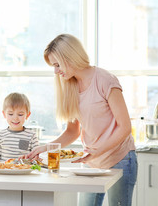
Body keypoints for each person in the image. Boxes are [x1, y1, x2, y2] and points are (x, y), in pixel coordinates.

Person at [25, 34, 137, 206]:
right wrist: (44, 148)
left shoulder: (105, 80)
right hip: (91, 162)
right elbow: (72, 132)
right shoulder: (70, 86)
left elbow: (125, 127)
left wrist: (97, 151)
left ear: (69, 58)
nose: (55, 71)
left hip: (120, 159)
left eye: (57, 65)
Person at [0, 92, 39, 162]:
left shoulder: (32, 136)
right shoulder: (0, 136)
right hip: (4, 171)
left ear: (27, 115)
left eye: (20, 114)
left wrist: (30, 159)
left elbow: (36, 158)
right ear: (4, 114)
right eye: (10, 114)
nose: (15, 118)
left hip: (24, 171)